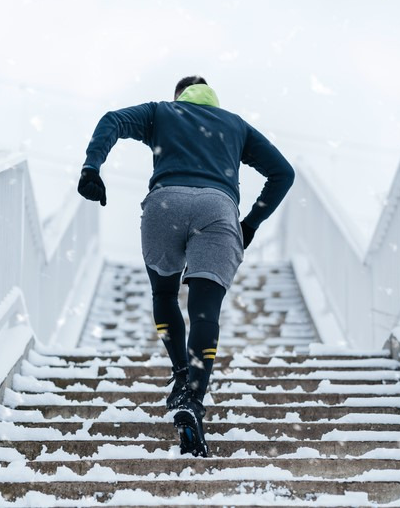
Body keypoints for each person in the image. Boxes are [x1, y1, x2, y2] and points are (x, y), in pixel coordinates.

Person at [78, 75, 295, 457]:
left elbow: (111, 119)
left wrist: (91, 167)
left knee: (164, 292)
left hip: (166, 204)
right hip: (217, 208)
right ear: (212, 98)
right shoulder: (235, 125)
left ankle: (180, 372)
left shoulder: (162, 111)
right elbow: (283, 173)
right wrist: (250, 224)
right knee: (204, 311)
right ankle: (194, 397)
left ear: (179, 97)